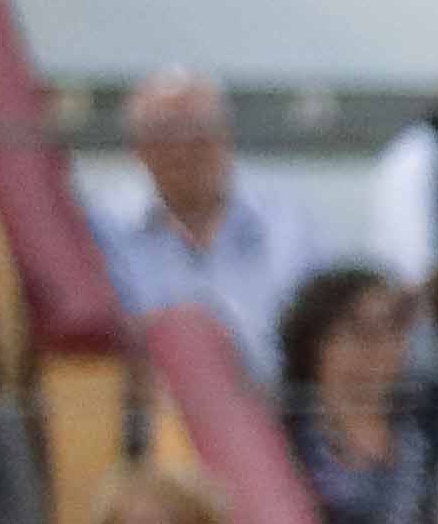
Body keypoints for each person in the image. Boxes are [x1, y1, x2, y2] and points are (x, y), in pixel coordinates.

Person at [89, 72, 314, 369]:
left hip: (274, 405)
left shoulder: (287, 223)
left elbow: (317, 334)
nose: (182, 150)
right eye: (163, 134)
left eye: (197, 131)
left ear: (225, 137)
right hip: (153, 406)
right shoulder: (102, 228)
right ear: (137, 149)